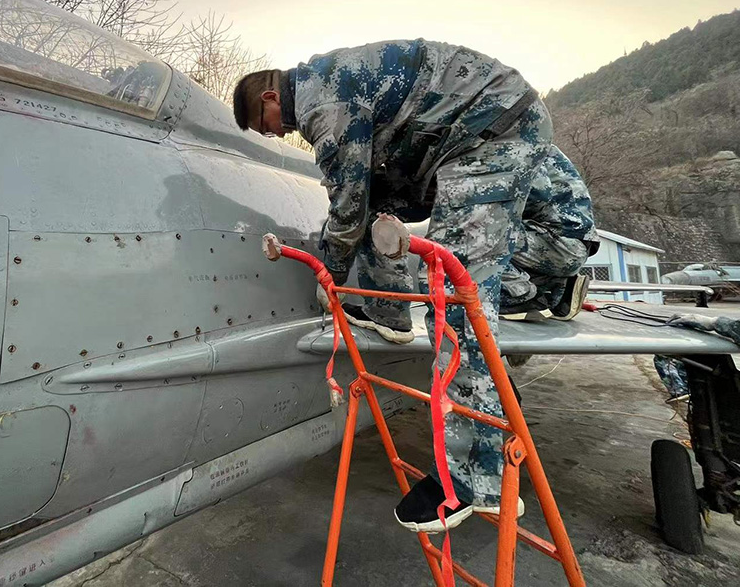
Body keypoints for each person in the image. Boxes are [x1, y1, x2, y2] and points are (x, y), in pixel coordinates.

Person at [233, 39, 552, 532]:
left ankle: (475, 480)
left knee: (455, 299)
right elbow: (360, 195)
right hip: (457, 136)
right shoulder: (323, 85)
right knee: (374, 203)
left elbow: (346, 203)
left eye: (265, 124)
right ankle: (390, 314)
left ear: (271, 98)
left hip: (490, 134)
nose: (275, 134)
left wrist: (330, 277)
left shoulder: (322, 104)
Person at [500, 145, 600, 322]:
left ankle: (518, 296)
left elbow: (536, 194)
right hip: (569, 242)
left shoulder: (513, 144)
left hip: (558, 242)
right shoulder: (534, 141)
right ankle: (556, 290)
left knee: (470, 232)